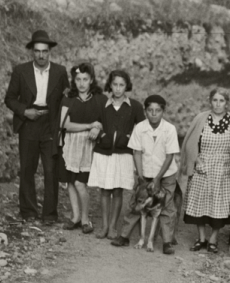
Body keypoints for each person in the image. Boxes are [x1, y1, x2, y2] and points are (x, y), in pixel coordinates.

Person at [3, 29, 69, 222]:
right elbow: (9, 99)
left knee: (50, 170)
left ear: (50, 52)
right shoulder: (21, 71)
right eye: (37, 51)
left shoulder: (60, 71)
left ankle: (49, 214)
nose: (41, 55)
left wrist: (62, 124)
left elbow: (67, 98)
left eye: (45, 51)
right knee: (27, 169)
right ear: (32, 51)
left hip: (50, 124)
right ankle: (28, 212)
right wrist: (24, 111)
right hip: (29, 123)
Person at [112, 95, 180, 254]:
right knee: (136, 202)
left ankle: (167, 242)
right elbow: (136, 152)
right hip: (145, 172)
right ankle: (124, 235)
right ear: (145, 111)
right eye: (150, 110)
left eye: (158, 110)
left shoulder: (169, 129)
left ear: (163, 111)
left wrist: (157, 179)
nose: (154, 114)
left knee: (167, 206)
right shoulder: (140, 128)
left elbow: (170, 156)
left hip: (166, 174)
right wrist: (141, 177)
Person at [179, 89, 230, 254]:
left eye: (221, 100)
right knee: (200, 204)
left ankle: (213, 239)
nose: (218, 104)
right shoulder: (201, 119)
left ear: (227, 102)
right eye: (215, 100)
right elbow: (190, 143)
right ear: (210, 101)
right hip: (203, 166)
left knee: (218, 205)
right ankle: (201, 238)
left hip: (224, 168)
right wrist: (196, 160)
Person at [88, 70, 145, 239]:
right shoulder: (102, 104)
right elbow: (95, 123)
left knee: (118, 191)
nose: (118, 89)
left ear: (126, 86)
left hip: (123, 153)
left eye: (121, 85)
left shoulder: (134, 106)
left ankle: (113, 226)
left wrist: (129, 138)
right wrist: (100, 133)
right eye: (115, 84)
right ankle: (104, 226)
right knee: (105, 190)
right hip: (104, 152)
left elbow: (142, 129)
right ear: (110, 85)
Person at [59, 63, 107, 234]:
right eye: (78, 79)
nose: (81, 83)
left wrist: (98, 126)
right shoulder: (68, 99)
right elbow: (65, 124)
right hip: (71, 145)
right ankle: (75, 217)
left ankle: (86, 219)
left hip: (88, 146)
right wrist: (89, 125)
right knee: (70, 182)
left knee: (80, 183)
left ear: (91, 80)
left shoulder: (100, 99)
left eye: (85, 79)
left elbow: (106, 120)